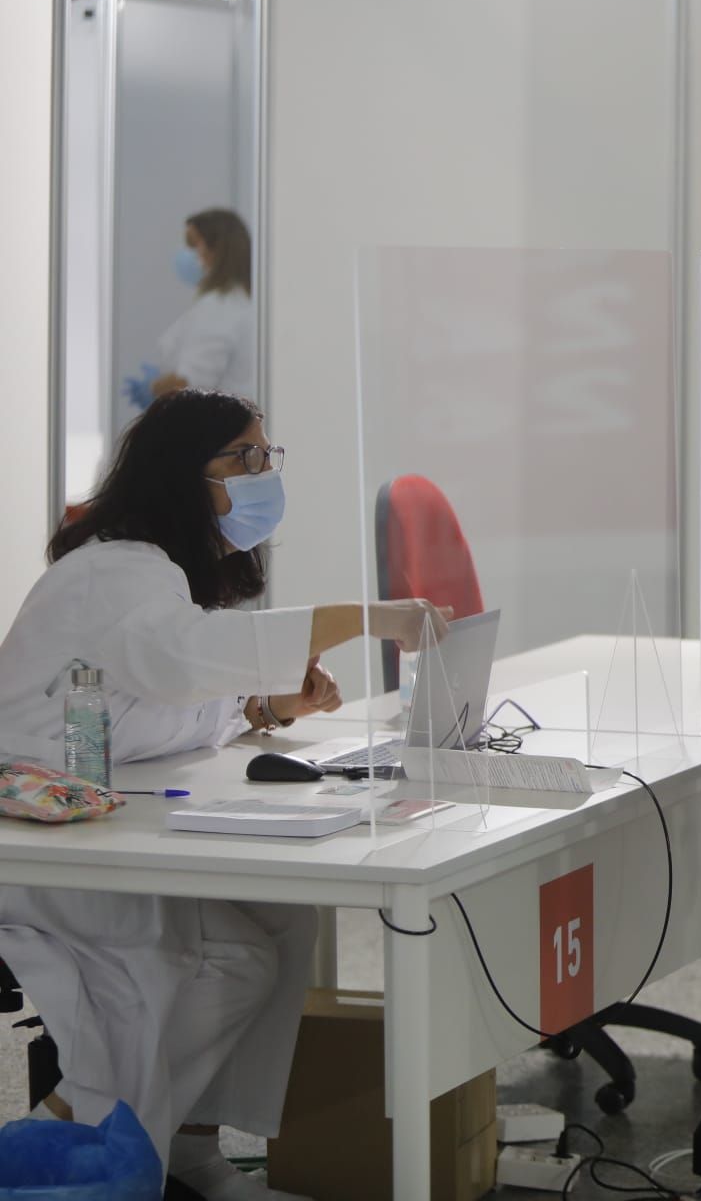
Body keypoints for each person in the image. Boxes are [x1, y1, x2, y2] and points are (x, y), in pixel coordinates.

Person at [0, 390, 450, 1199]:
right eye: (242, 458)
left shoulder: (152, 572)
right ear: (183, 475)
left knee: (283, 919)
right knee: (222, 967)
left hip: (100, 816)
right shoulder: (110, 570)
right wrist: (370, 617)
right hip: (43, 840)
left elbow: (151, 702)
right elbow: (182, 660)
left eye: (264, 456)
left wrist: (265, 707)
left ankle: (185, 1155)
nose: (261, 473)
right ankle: (75, 1132)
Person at [152, 209, 256, 402]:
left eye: (193, 245)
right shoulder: (234, 301)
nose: (187, 255)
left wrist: (154, 388)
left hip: (219, 424)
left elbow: (190, 380)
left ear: (217, 249)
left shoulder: (221, 307)